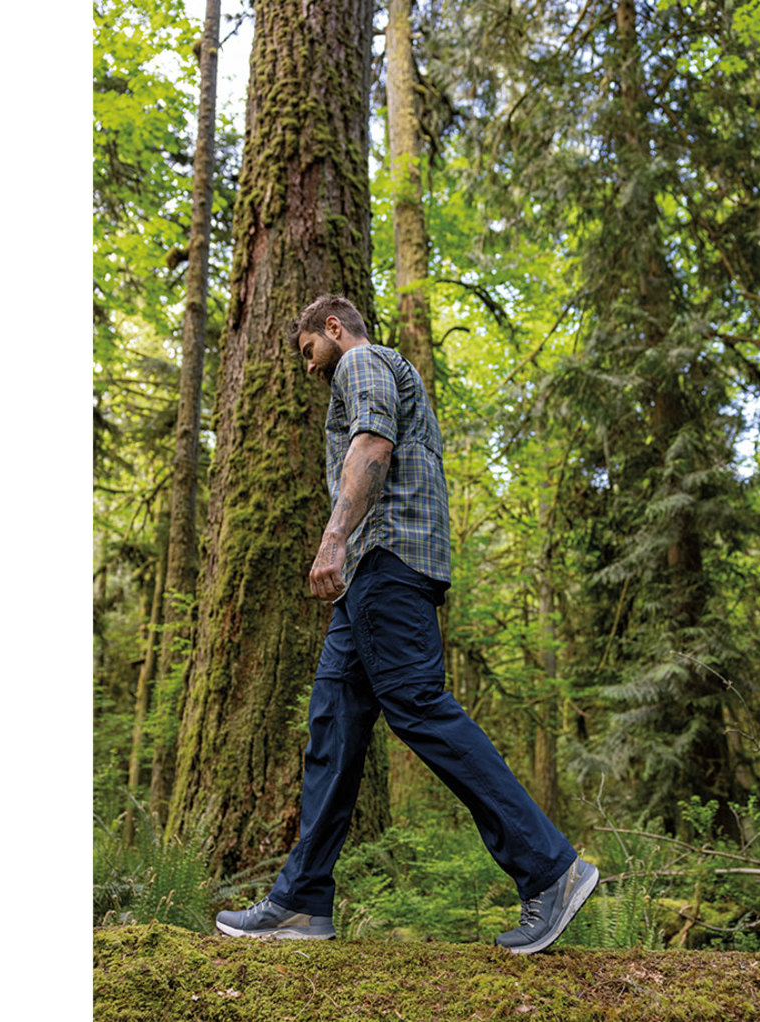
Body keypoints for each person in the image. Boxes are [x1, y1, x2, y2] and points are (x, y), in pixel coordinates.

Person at [215, 294, 597, 954]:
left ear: (333, 329)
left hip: (386, 557)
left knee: (418, 706)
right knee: (332, 727)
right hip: (370, 574)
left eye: (310, 350)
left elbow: (372, 441)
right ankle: (302, 904)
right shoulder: (372, 366)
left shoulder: (359, 361)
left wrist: (334, 537)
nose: (310, 367)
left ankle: (550, 869)